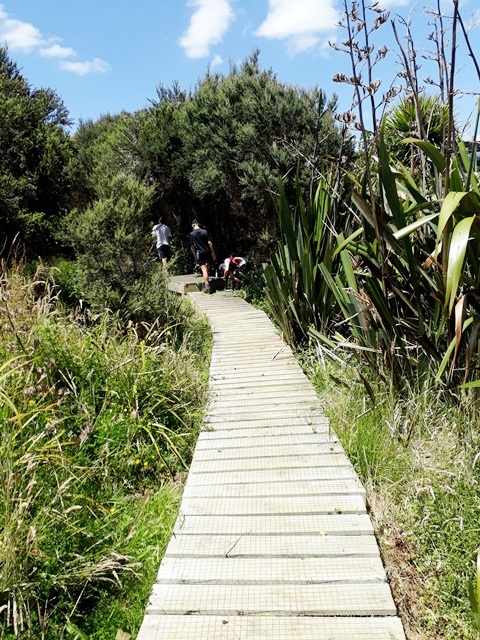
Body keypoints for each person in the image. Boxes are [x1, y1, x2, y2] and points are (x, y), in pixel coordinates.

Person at [189, 219, 216, 293]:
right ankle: (206, 280)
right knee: (206, 268)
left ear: (193, 225)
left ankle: (207, 286)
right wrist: (213, 253)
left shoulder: (192, 234)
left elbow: (192, 247)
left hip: (199, 253)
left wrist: (195, 256)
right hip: (207, 252)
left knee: (204, 270)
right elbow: (210, 243)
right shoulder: (204, 232)